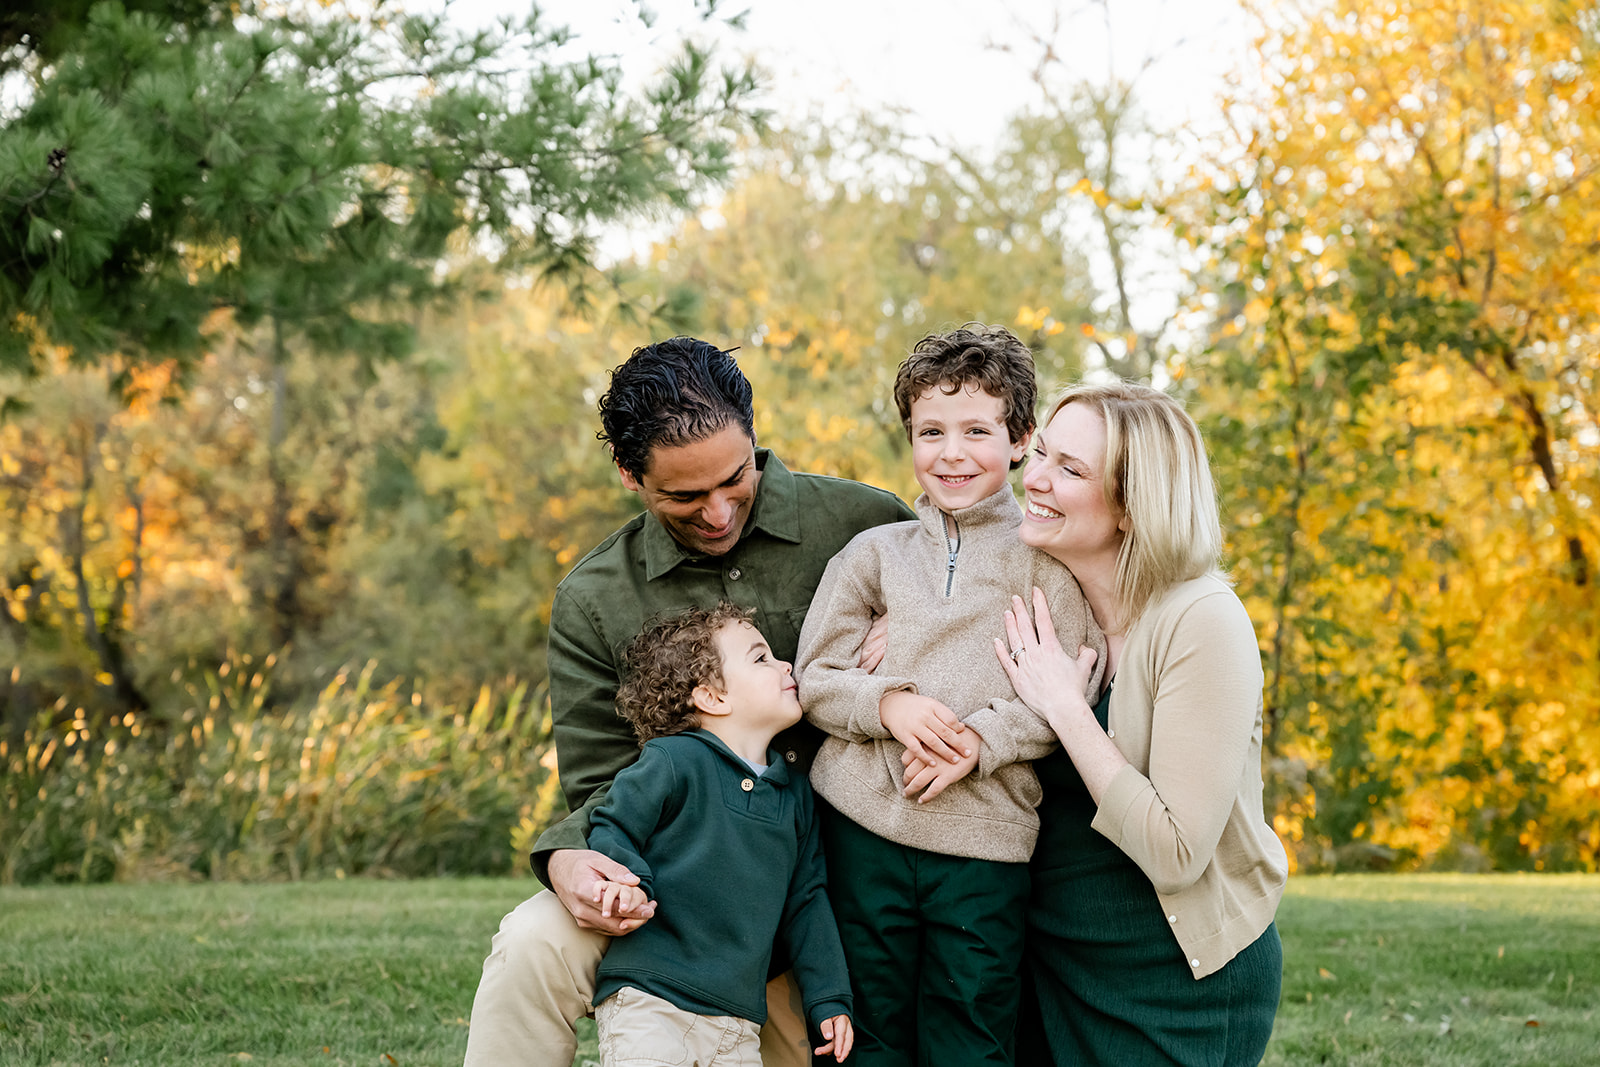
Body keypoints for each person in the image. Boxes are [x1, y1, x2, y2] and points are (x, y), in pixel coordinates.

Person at [462, 336, 913, 1067]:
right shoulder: (594, 598)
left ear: (754, 433)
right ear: (629, 475)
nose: (717, 512)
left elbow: (975, 608)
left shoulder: (868, 523)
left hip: (842, 894)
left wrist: (922, 616)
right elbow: (603, 785)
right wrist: (571, 864)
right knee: (531, 942)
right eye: (683, 496)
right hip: (684, 902)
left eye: (734, 478)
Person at [794, 325, 1105, 1065]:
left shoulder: (1044, 562)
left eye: (976, 430)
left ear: (1021, 437)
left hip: (983, 844)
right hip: (863, 827)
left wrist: (981, 740)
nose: (952, 452)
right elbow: (815, 678)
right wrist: (889, 705)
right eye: (931, 431)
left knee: (971, 1031)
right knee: (864, 1033)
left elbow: (1074, 686)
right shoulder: (875, 555)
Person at [981, 380, 1288, 1065]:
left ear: (1130, 507)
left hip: (1175, 980)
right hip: (1051, 967)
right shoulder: (1052, 594)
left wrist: (1066, 706)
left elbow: (1178, 851)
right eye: (1042, 454)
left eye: (1071, 469)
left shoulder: (1201, 621)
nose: (1035, 478)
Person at [587, 603, 854, 1065]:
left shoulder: (793, 793)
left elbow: (807, 901)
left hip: (738, 1023)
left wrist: (829, 996)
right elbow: (612, 825)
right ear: (712, 697)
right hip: (651, 998)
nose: (785, 664)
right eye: (761, 659)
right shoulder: (673, 761)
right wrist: (628, 883)